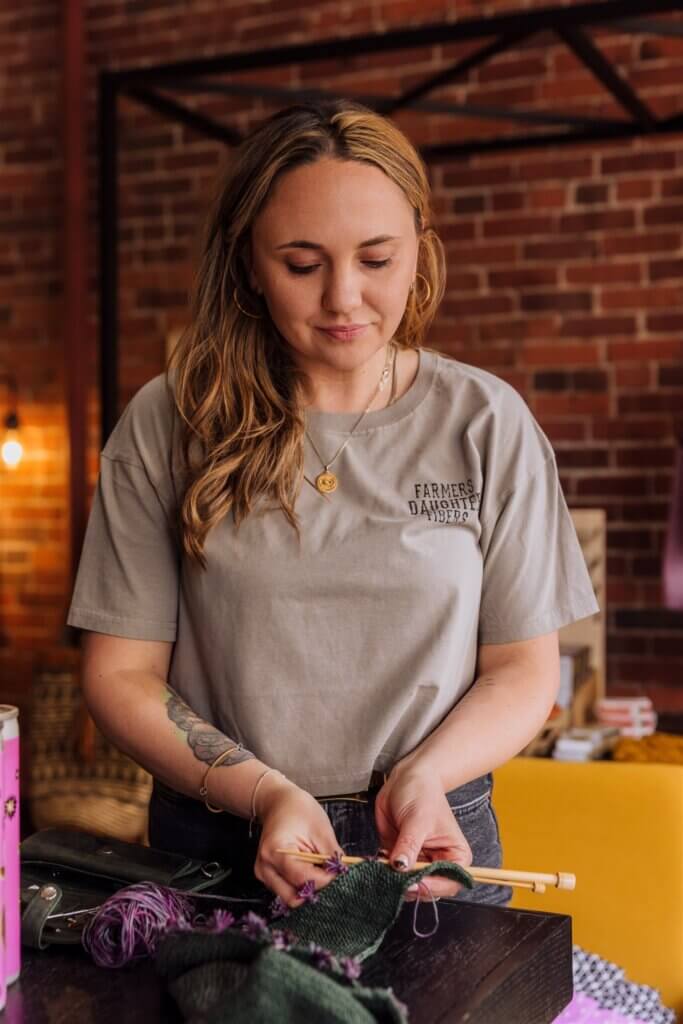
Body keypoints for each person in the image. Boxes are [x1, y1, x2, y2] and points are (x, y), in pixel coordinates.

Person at [67, 99, 599, 913]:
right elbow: (119, 675)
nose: (344, 298)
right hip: (222, 840)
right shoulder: (169, 421)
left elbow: (522, 670)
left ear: (418, 248)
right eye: (303, 264)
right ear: (249, 261)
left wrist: (424, 775)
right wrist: (265, 795)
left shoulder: (485, 422)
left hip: (429, 836)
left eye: (376, 259)